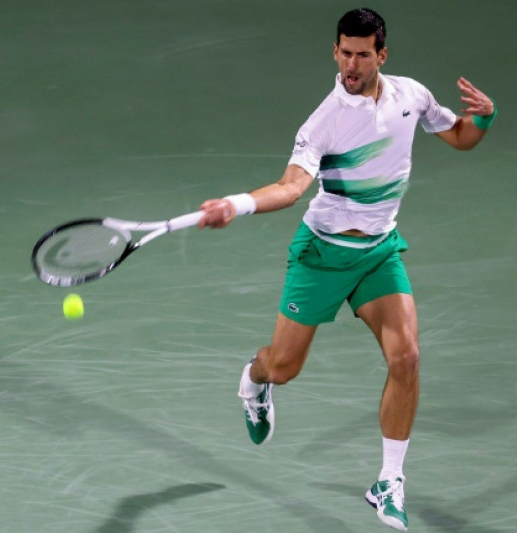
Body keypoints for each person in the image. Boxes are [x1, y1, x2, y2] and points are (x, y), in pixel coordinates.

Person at [196, 7, 496, 532]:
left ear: (382, 55)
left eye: (362, 54)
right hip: (322, 255)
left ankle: (388, 481)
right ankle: (254, 380)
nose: (351, 65)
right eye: (344, 53)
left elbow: (460, 135)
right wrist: (236, 204)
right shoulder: (324, 122)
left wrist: (484, 118)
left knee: (407, 358)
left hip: (378, 253)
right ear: (334, 52)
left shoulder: (411, 96)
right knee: (283, 367)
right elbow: (290, 187)